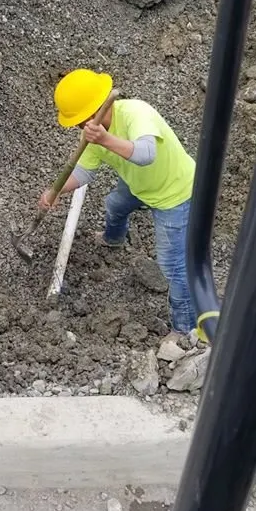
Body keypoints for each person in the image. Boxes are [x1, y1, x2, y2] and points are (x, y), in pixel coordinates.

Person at [38, 68, 197, 335]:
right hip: (139, 184)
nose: (78, 127)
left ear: (95, 110)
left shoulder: (136, 112)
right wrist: (54, 191)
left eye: (78, 120)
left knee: (173, 267)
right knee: (115, 205)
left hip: (176, 193)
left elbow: (147, 154)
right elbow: (84, 171)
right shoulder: (90, 133)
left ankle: (185, 331)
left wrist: (105, 139)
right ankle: (114, 239)